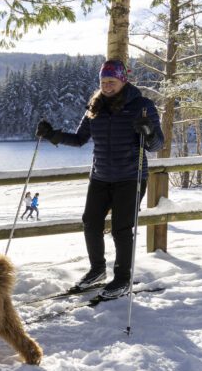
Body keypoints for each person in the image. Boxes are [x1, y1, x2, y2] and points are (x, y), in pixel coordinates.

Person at [36, 59, 164, 298]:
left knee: (121, 229)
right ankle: (97, 270)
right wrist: (52, 134)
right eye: (103, 82)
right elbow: (79, 139)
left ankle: (123, 278)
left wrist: (148, 131)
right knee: (90, 223)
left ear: (123, 80)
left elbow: (157, 145)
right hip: (100, 176)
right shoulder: (95, 106)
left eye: (111, 82)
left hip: (130, 177)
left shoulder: (142, 106)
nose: (106, 86)